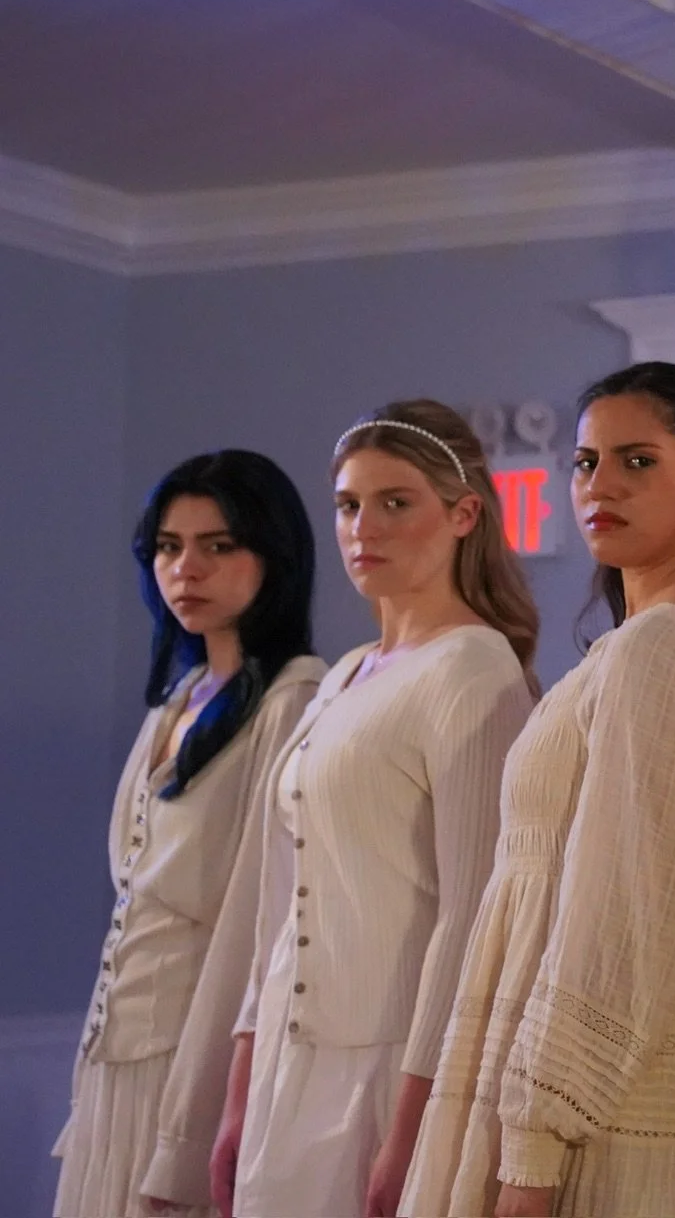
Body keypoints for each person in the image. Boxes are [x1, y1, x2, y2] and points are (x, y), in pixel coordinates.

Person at [402, 364, 675, 1216]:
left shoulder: (665, 650)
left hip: (593, 1092)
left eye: (637, 461)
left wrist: (533, 1154)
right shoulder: (640, 644)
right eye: (585, 462)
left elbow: (622, 908)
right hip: (554, 1056)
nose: (600, 485)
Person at [216, 402, 538, 1218]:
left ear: (464, 514)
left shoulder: (474, 670)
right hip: (287, 1068)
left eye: (397, 502)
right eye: (350, 504)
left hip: (388, 1067)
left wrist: (418, 1121)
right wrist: (236, 1098)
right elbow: (277, 904)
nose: (366, 527)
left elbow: (471, 917)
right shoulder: (347, 672)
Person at [53, 451, 326, 1218]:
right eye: (169, 547)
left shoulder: (293, 699)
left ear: (271, 555)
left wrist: (193, 1124)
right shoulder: (177, 699)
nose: (187, 568)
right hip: (115, 1057)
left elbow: (254, 925)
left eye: (218, 545)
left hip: (192, 1063)